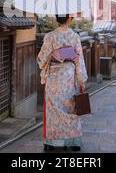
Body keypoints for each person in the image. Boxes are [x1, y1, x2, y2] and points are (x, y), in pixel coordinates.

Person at [37, 14, 88, 152]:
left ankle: (52, 143)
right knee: (71, 108)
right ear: (69, 19)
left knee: (53, 109)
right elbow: (79, 60)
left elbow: (42, 58)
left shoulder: (50, 36)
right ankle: (73, 142)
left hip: (54, 77)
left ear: (56, 19)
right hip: (69, 77)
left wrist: (53, 56)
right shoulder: (75, 37)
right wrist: (81, 79)